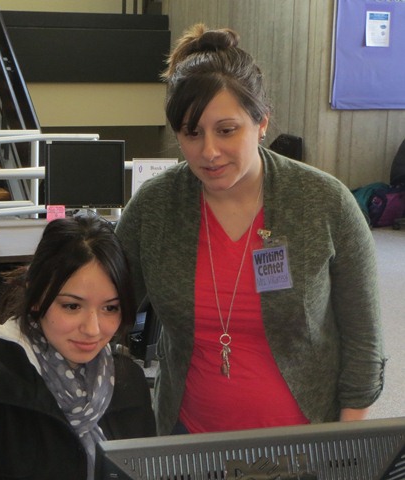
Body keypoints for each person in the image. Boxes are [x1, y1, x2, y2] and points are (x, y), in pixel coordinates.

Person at [115, 24, 385, 436]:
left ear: (261, 123)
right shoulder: (155, 208)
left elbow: (364, 343)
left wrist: (343, 445)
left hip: (305, 439)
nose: (208, 152)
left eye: (226, 130)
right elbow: (105, 305)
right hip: (188, 435)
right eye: (191, 133)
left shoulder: (324, 203)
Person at [0, 215, 156, 480]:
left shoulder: (128, 382)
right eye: (72, 306)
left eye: (110, 308)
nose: (93, 328)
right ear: (35, 296)